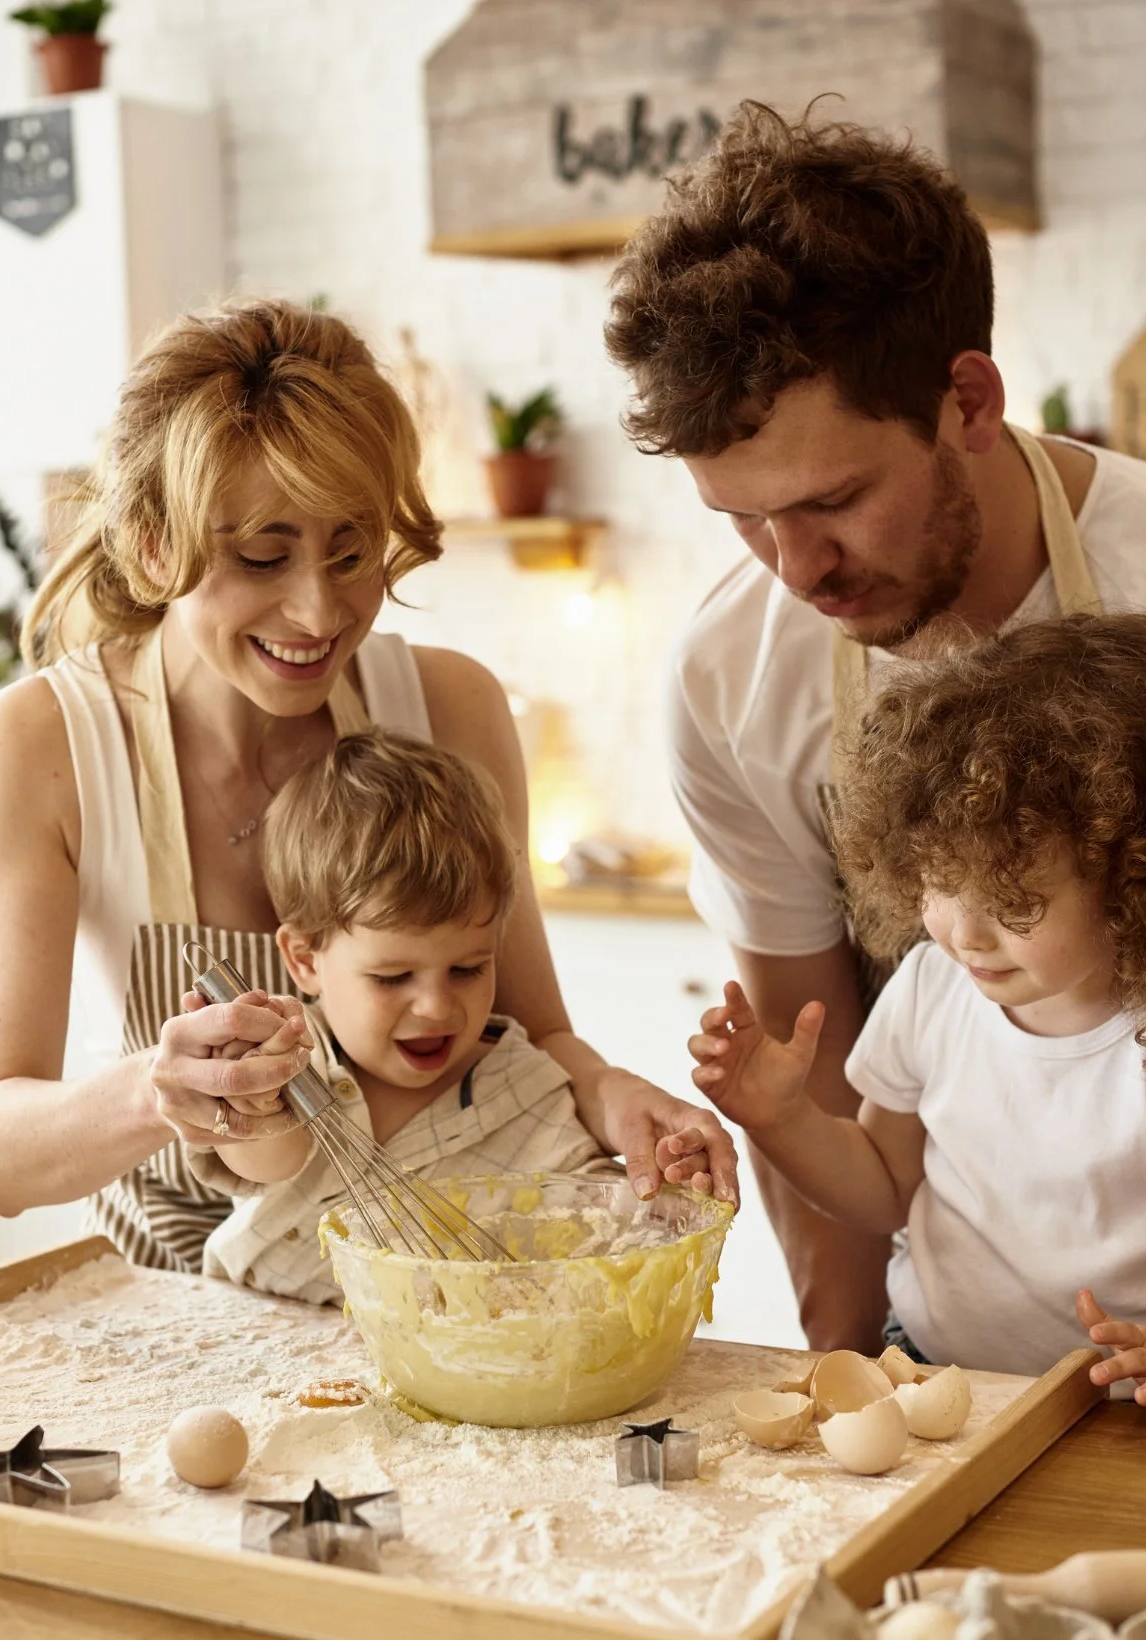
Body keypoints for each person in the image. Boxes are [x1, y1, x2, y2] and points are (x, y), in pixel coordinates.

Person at [0, 298, 735, 1274]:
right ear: (156, 545)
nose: (320, 611)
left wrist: (612, 1092)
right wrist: (155, 1093)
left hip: (427, 1291)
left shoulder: (449, 707)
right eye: (263, 557)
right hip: (181, 1311)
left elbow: (530, 1039)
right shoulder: (51, 742)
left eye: (352, 551)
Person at [605, 100, 1146, 1352]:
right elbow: (828, 1080)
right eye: (741, 518)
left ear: (968, 398)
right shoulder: (729, 675)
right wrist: (849, 1397)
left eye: (833, 499)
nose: (794, 570)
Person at [690, 616, 1146, 1397]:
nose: (965, 934)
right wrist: (781, 1118)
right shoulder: (935, 990)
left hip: (1116, 1403)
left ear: (1129, 881)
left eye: (1015, 902)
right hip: (938, 1372)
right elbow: (879, 1189)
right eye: (940, 882)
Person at [194, 729, 625, 1304]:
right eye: (393, 978)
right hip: (257, 1345)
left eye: (469, 969)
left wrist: (648, 1188)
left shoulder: (521, 1087)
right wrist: (252, 1100)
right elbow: (269, 1157)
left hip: (457, 1366)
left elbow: (596, 1210)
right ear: (304, 959)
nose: (438, 1007)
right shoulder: (292, 1058)